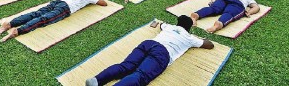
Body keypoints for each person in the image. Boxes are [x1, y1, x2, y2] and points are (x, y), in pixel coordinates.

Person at [85, 15, 214, 86]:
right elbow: (209, 45)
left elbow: (161, 24)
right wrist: (198, 37)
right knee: (140, 75)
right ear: (189, 28)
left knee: (125, 66)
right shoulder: (189, 38)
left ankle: (96, 80)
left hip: (148, 44)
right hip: (162, 53)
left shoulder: (169, 27)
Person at [0, 0, 107, 42]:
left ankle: (10, 24)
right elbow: (103, 3)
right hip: (65, 8)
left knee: (35, 13)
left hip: (58, 1)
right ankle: (19, 30)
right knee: (44, 19)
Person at [191, 0, 260, 33]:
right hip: (238, 3)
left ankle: (195, 16)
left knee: (213, 9)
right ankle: (217, 25)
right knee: (229, 13)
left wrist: (213, 2)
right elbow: (256, 7)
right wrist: (249, 12)